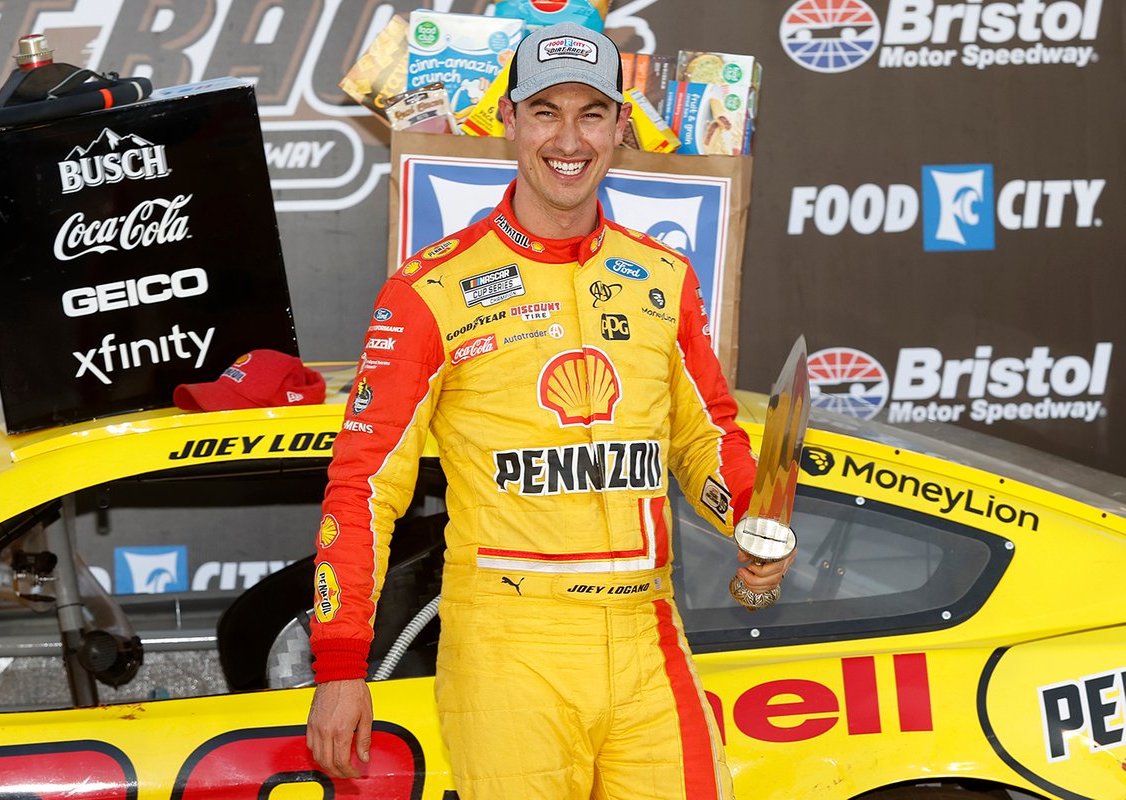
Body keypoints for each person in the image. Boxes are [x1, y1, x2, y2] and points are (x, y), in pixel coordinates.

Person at [306, 21, 791, 799]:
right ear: (510, 120)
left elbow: (707, 441)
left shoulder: (663, 276)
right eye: (546, 111)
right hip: (508, 647)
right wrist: (339, 664)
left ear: (621, 127)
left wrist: (747, 514)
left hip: (646, 632)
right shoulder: (429, 290)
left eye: (592, 113)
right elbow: (363, 487)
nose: (569, 138)